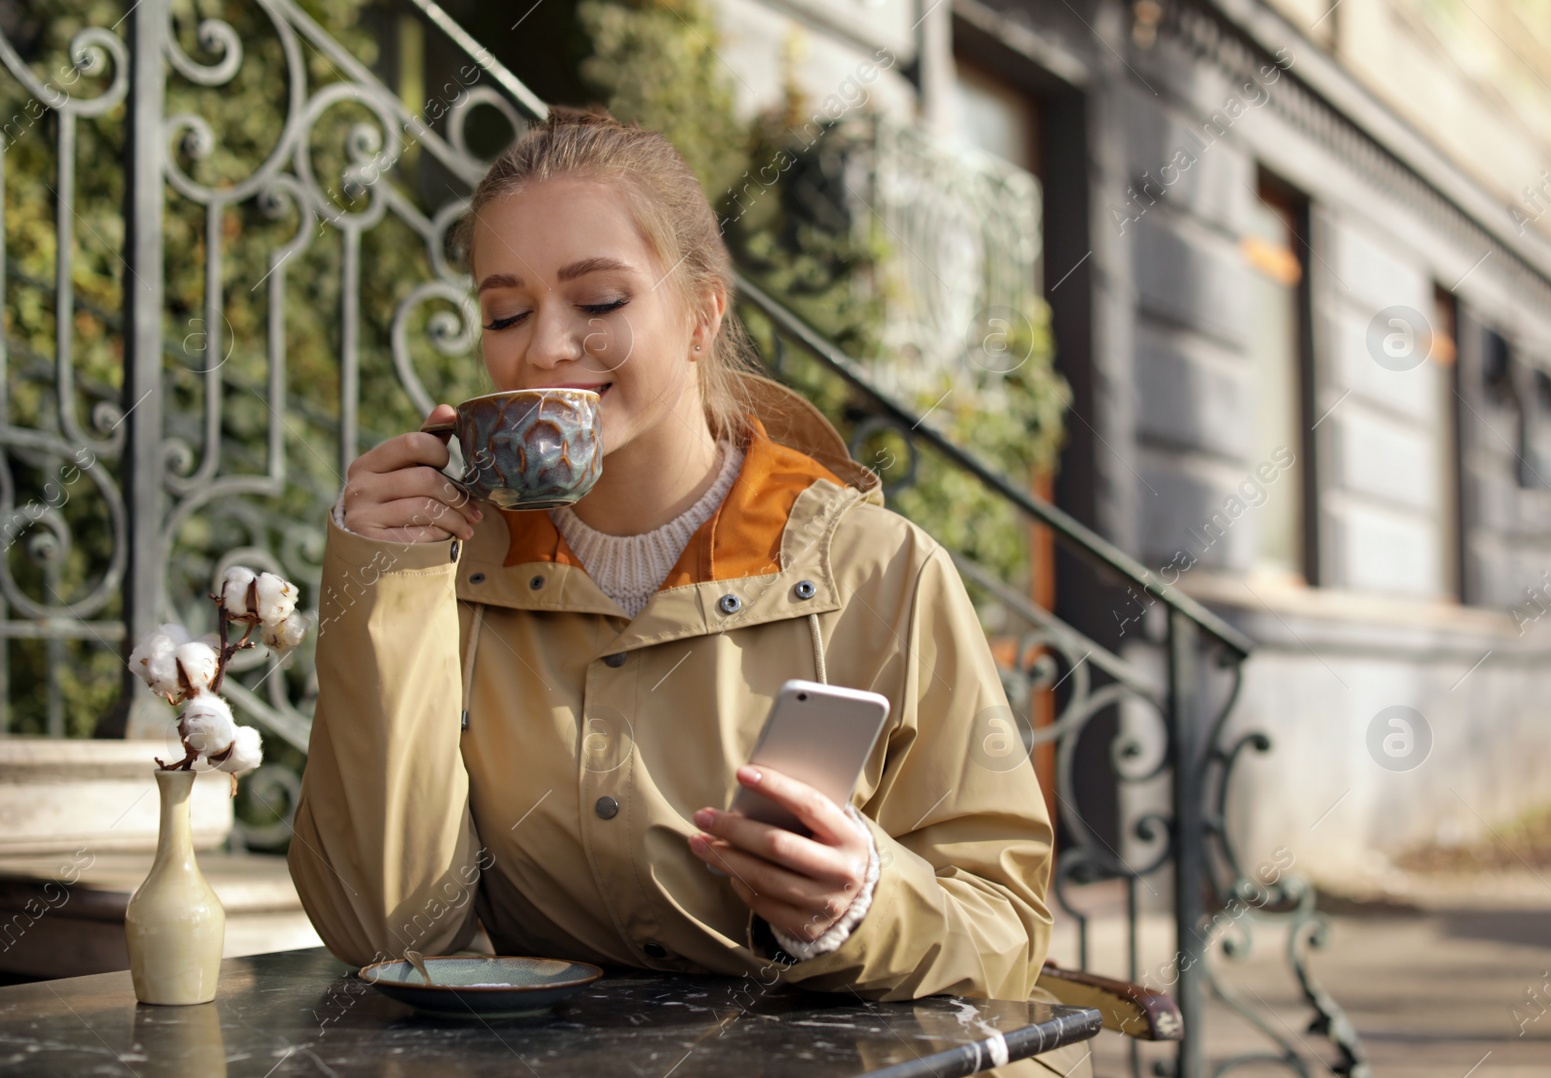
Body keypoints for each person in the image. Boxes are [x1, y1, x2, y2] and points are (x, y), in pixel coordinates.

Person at [289, 106, 1086, 1076]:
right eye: (505, 313)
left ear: (702, 312)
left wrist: (865, 906)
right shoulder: (445, 573)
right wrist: (384, 583)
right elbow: (395, 931)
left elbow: (1005, 929)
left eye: (598, 302)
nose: (544, 347)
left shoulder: (882, 573)